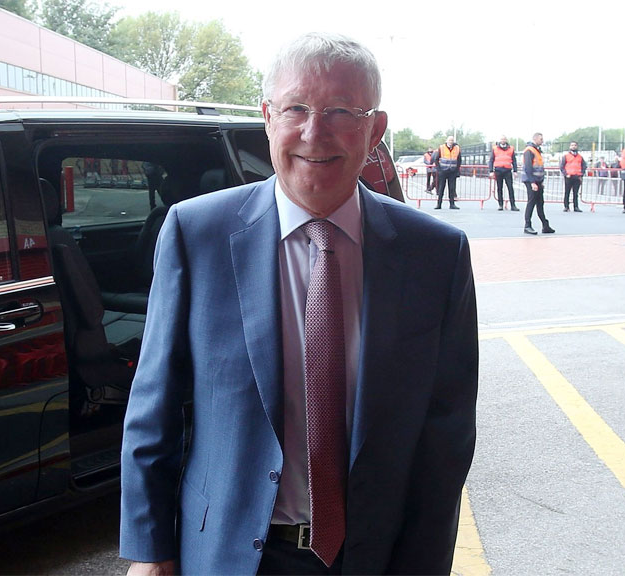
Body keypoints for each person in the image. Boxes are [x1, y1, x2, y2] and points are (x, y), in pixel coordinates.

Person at [119, 33, 478, 576]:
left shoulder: (436, 254)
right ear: (268, 117)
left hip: (375, 557)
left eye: (340, 111)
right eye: (296, 109)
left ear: (375, 129)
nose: (315, 132)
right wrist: (150, 551)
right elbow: (154, 410)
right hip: (226, 554)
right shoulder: (198, 234)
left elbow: (445, 437)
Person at [522, 132, 555, 235]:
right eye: (541, 139)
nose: (542, 141)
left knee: (540, 203)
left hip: (538, 181)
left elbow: (539, 167)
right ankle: (527, 226)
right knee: (531, 203)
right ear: (535, 139)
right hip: (531, 180)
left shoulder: (537, 150)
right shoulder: (529, 150)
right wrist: (532, 182)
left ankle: (545, 225)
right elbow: (528, 167)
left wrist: (540, 181)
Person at [488, 135, 519, 211]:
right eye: (501, 139)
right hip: (498, 170)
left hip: (508, 170)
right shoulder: (495, 149)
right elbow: (491, 160)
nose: (503, 140)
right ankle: (500, 205)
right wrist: (491, 171)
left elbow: (514, 160)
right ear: (499, 140)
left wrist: (515, 171)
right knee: (499, 188)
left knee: (510, 188)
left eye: (504, 139)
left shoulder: (511, 149)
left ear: (506, 140)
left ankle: (513, 205)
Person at [432, 135, 462, 209]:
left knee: (452, 188)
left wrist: (457, 170)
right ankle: (439, 204)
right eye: (449, 140)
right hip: (443, 171)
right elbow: (436, 159)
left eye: (452, 140)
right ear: (447, 141)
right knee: (441, 188)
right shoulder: (441, 148)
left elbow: (459, 160)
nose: (451, 142)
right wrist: (439, 170)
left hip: (452, 171)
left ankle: (452, 204)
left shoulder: (457, 148)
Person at [559, 141, 586, 212]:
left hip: (577, 176)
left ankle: (576, 207)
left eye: (575, 145)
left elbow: (584, 166)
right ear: (570, 147)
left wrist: (581, 174)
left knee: (575, 193)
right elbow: (562, 166)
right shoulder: (566, 156)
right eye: (572, 145)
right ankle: (566, 206)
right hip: (569, 176)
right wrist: (565, 174)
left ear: (577, 146)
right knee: (567, 192)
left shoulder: (580, 157)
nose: (573, 146)